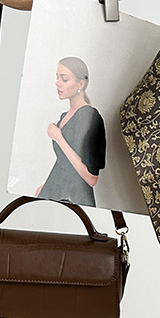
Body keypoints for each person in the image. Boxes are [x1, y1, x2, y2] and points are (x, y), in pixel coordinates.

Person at [36, 56, 106, 207]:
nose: (57, 83)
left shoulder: (89, 116)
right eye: (57, 77)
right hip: (56, 193)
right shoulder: (65, 116)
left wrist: (59, 138)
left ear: (81, 84)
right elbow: (63, 163)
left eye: (64, 79)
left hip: (75, 199)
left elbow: (91, 179)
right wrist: (47, 186)